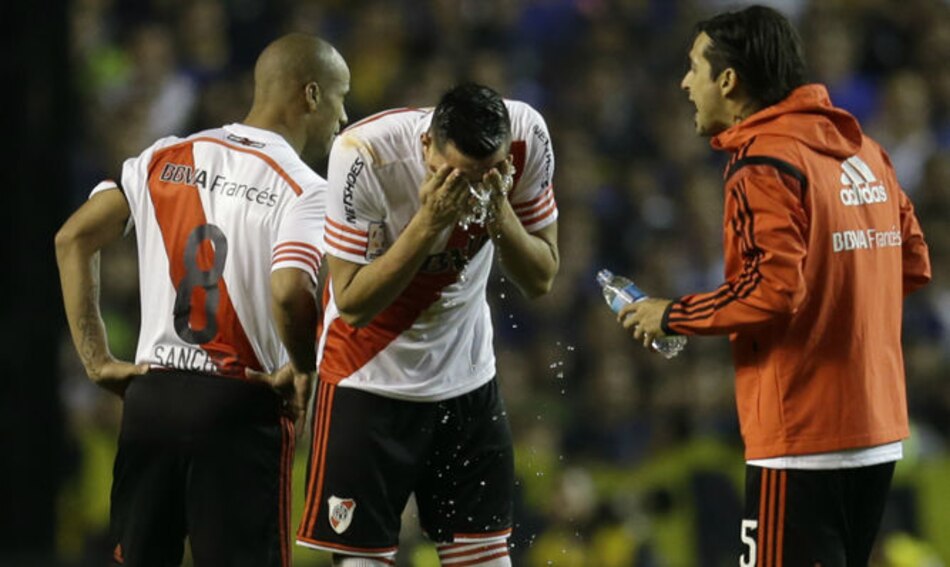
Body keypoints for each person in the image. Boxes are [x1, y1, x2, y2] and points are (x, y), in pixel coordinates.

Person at [619, 6, 931, 566]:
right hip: (878, 428)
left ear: (729, 80)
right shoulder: (866, 152)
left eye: (694, 68)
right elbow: (912, 263)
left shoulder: (761, 163)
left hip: (802, 432)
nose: (684, 83)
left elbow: (771, 290)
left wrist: (670, 314)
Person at [55, 33, 350, 567]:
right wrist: (304, 369)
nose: (343, 116)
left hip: (152, 399)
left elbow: (71, 239)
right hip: (240, 405)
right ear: (310, 95)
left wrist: (97, 362)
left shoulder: (163, 156)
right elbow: (289, 290)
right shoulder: (305, 189)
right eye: (339, 97)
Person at [295, 83, 558, 566]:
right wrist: (428, 222)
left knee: (486, 559)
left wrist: (499, 210)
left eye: (490, 172)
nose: (475, 186)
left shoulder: (527, 136)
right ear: (425, 148)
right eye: (458, 175)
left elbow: (541, 276)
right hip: (366, 378)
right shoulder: (364, 154)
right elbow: (352, 302)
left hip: (467, 380)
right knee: (362, 560)